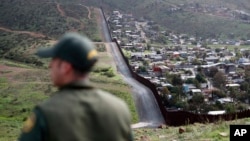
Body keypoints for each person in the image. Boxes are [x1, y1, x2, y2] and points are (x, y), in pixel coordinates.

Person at [18, 32, 133, 141]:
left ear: (66, 67)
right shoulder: (120, 109)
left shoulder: (46, 114)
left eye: (54, 60)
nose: (50, 65)